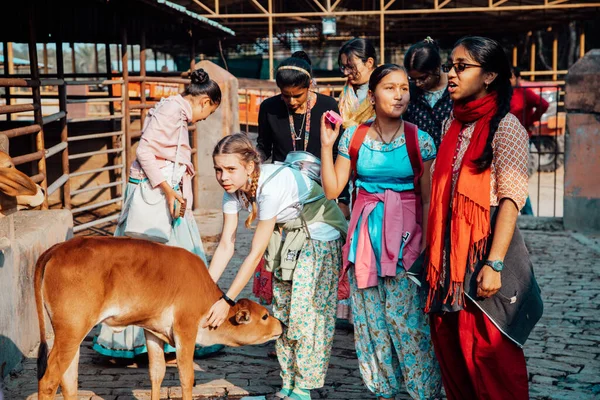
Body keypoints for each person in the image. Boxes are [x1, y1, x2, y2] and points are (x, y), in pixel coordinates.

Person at [425, 36, 543, 400]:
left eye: (462, 67)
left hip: (484, 255)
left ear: (490, 75)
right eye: (450, 67)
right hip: (447, 258)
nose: (452, 75)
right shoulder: (451, 124)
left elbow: (510, 201)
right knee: (453, 357)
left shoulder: (506, 127)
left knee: (490, 360)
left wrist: (493, 263)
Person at [321, 64, 442, 400]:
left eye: (404, 87)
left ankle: (424, 393)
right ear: (372, 95)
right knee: (370, 324)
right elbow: (333, 191)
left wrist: (430, 251)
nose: (399, 94)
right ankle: (383, 391)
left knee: (408, 323)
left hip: (408, 242)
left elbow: (430, 201)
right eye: (390, 88)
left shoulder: (421, 140)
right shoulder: (353, 136)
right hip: (365, 241)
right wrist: (326, 144)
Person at [93, 69, 223, 361]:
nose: (204, 119)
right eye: (209, 112)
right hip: (156, 201)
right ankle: (141, 342)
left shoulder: (174, 110)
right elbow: (144, 152)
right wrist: (166, 190)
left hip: (170, 199)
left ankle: (174, 337)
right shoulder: (171, 111)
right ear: (204, 101)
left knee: (167, 268)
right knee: (148, 269)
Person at [207, 133, 348, 400]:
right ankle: (287, 384)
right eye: (218, 169)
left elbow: (255, 251)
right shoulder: (231, 192)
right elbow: (226, 245)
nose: (223, 176)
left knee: (306, 314)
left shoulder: (268, 189)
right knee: (281, 309)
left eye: (230, 169)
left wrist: (227, 299)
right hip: (289, 236)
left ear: (249, 167)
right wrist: (204, 293)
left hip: (320, 233)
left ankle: (303, 388)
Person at [255, 52, 351, 323]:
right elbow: (264, 145)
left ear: (310, 86)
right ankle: (284, 323)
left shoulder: (328, 105)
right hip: (284, 196)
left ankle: (310, 319)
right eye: (286, 96)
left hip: (321, 195)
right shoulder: (269, 108)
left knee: (311, 261)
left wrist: (342, 198)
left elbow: (339, 153)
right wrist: (254, 161)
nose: (292, 101)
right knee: (282, 261)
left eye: (297, 95)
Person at [510, 66, 549, 216]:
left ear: (518, 78)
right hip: (501, 139)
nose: (509, 80)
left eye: (512, 76)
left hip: (520, 138)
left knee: (517, 179)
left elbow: (543, 104)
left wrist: (531, 120)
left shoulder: (524, 93)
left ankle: (528, 214)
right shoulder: (500, 94)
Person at [403, 36, 453, 149]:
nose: (418, 84)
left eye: (423, 78)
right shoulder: (410, 93)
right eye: (412, 79)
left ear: (436, 69)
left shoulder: (454, 88)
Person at [338, 38, 377, 128]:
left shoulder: (384, 90)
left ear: (369, 63)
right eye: (344, 67)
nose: (346, 73)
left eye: (351, 67)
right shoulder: (346, 93)